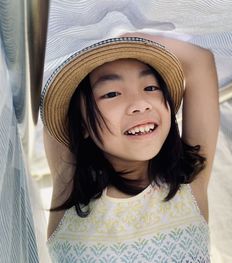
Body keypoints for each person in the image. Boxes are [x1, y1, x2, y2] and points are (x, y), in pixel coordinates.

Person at [41, 33, 219, 262]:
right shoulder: (70, 188)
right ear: (82, 123)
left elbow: (200, 61)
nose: (139, 103)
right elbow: (47, 96)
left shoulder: (189, 183)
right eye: (112, 93)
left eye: (151, 87)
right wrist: (111, 38)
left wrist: (129, 37)